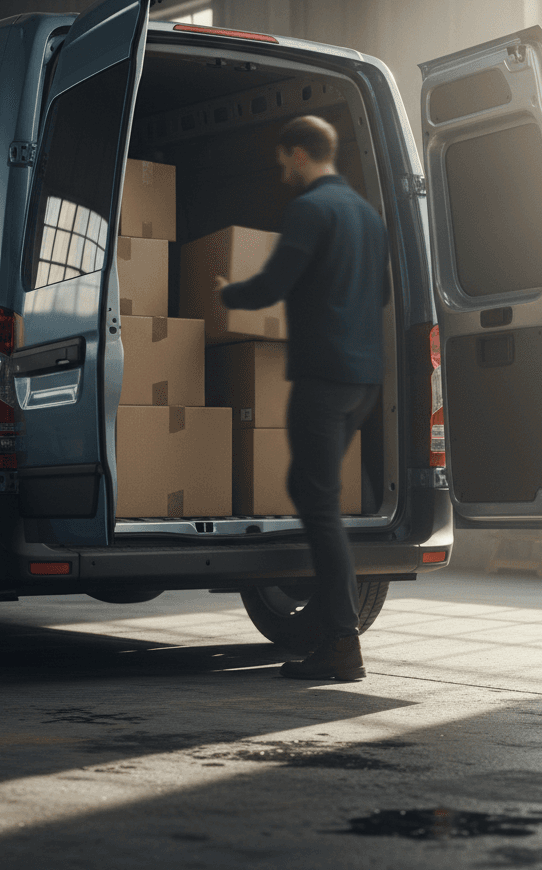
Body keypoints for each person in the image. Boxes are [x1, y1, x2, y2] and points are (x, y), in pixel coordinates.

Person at [216, 114, 389, 681]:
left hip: (323, 378)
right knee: (310, 491)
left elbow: (274, 283)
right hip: (363, 381)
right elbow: (383, 292)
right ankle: (327, 620)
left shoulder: (310, 209)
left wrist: (227, 293)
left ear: (298, 154)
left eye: (282, 160)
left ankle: (340, 642)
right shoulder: (368, 216)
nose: (280, 171)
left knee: (318, 504)